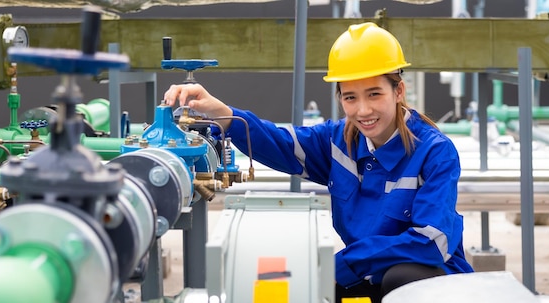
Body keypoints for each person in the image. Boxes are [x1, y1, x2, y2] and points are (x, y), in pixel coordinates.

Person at [164, 22, 474, 303]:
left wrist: (345, 262)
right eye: (350, 97)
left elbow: (433, 241)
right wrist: (222, 113)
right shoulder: (338, 142)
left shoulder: (434, 151)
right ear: (340, 98)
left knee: (401, 278)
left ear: (398, 91)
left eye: (374, 94)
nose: (363, 110)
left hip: (432, 283)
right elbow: (281, 143)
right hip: (365, 275)